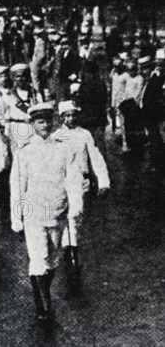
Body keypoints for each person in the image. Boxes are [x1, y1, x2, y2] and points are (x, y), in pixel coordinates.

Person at [10, 103, 84, 326]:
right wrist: (17, 218)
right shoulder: (24, 152)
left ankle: (41, 293)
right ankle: (44, 307)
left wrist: (75, 206)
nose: (45, 125)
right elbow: (17, 186)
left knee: (53, 260)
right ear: (32, 124)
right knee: (39, 259)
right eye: (40, 122)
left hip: (58, 212)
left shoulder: (63, 149)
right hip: (33, 212)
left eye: (48, 121)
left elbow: (73, 179)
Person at [55, 100, 110, 289]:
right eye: (66, 115)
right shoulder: (57, 136)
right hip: (65, 181)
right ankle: (70, 254)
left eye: (73, 115)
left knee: (77, 216)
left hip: (82, 180)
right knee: (69, 215)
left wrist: (103, 181)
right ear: (61, 117)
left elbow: (95, 157)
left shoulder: (84, 134)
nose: (70, 118)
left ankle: (71, 247)